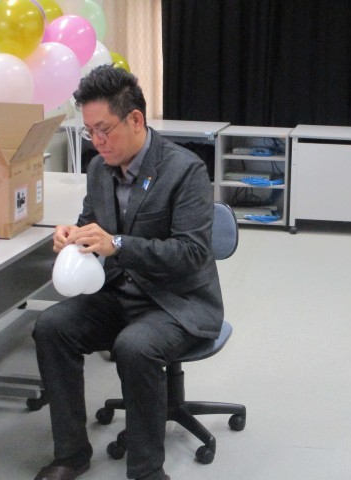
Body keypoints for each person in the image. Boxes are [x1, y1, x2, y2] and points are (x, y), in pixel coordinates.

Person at [33, 65, 223, 480]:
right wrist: (73, 235)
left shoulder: (185, 170)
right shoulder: (99, 169)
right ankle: (71, 454)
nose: (97, 142)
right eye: (90, 132)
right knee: (51, 327)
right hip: (120, 293)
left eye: (104, 130)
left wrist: (117, 244)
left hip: (177, 302)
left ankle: (146, 470)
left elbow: (192, 253)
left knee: (134, 346)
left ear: (135, 119)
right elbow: (92, 223)